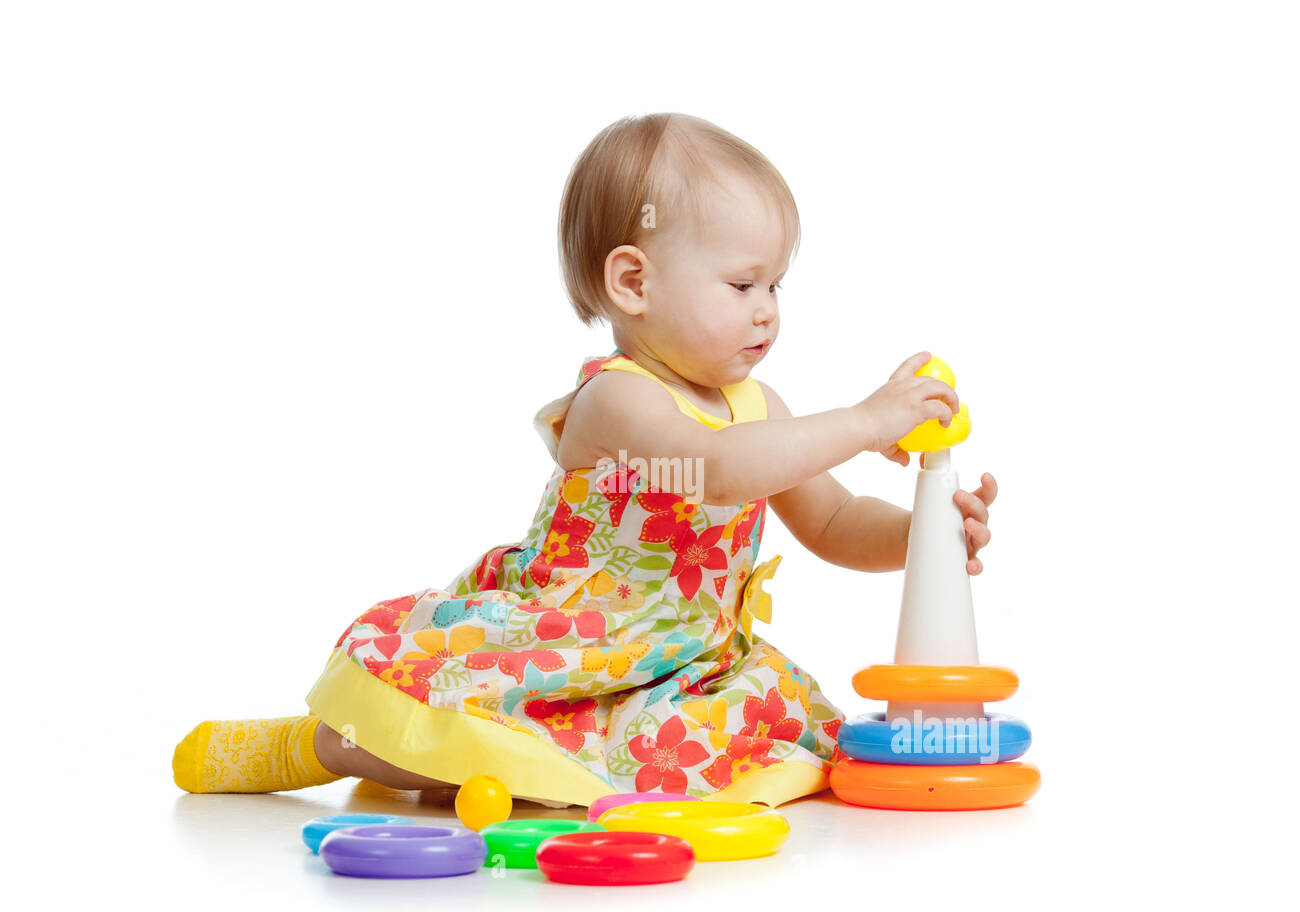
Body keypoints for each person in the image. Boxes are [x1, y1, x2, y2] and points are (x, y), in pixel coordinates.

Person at [172, 112, 996, 808]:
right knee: (475, 745)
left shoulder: (760, 406)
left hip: (680, 663)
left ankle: (499, 770)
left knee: (683, 765)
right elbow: (716, 470)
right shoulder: (620, 399)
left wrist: (924, 537)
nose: (768, 312)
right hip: (571, 645)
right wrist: (862, 419)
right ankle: (325, 747)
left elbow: (835, 519)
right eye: (743, 285)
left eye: (778, 286)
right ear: (633, 283)